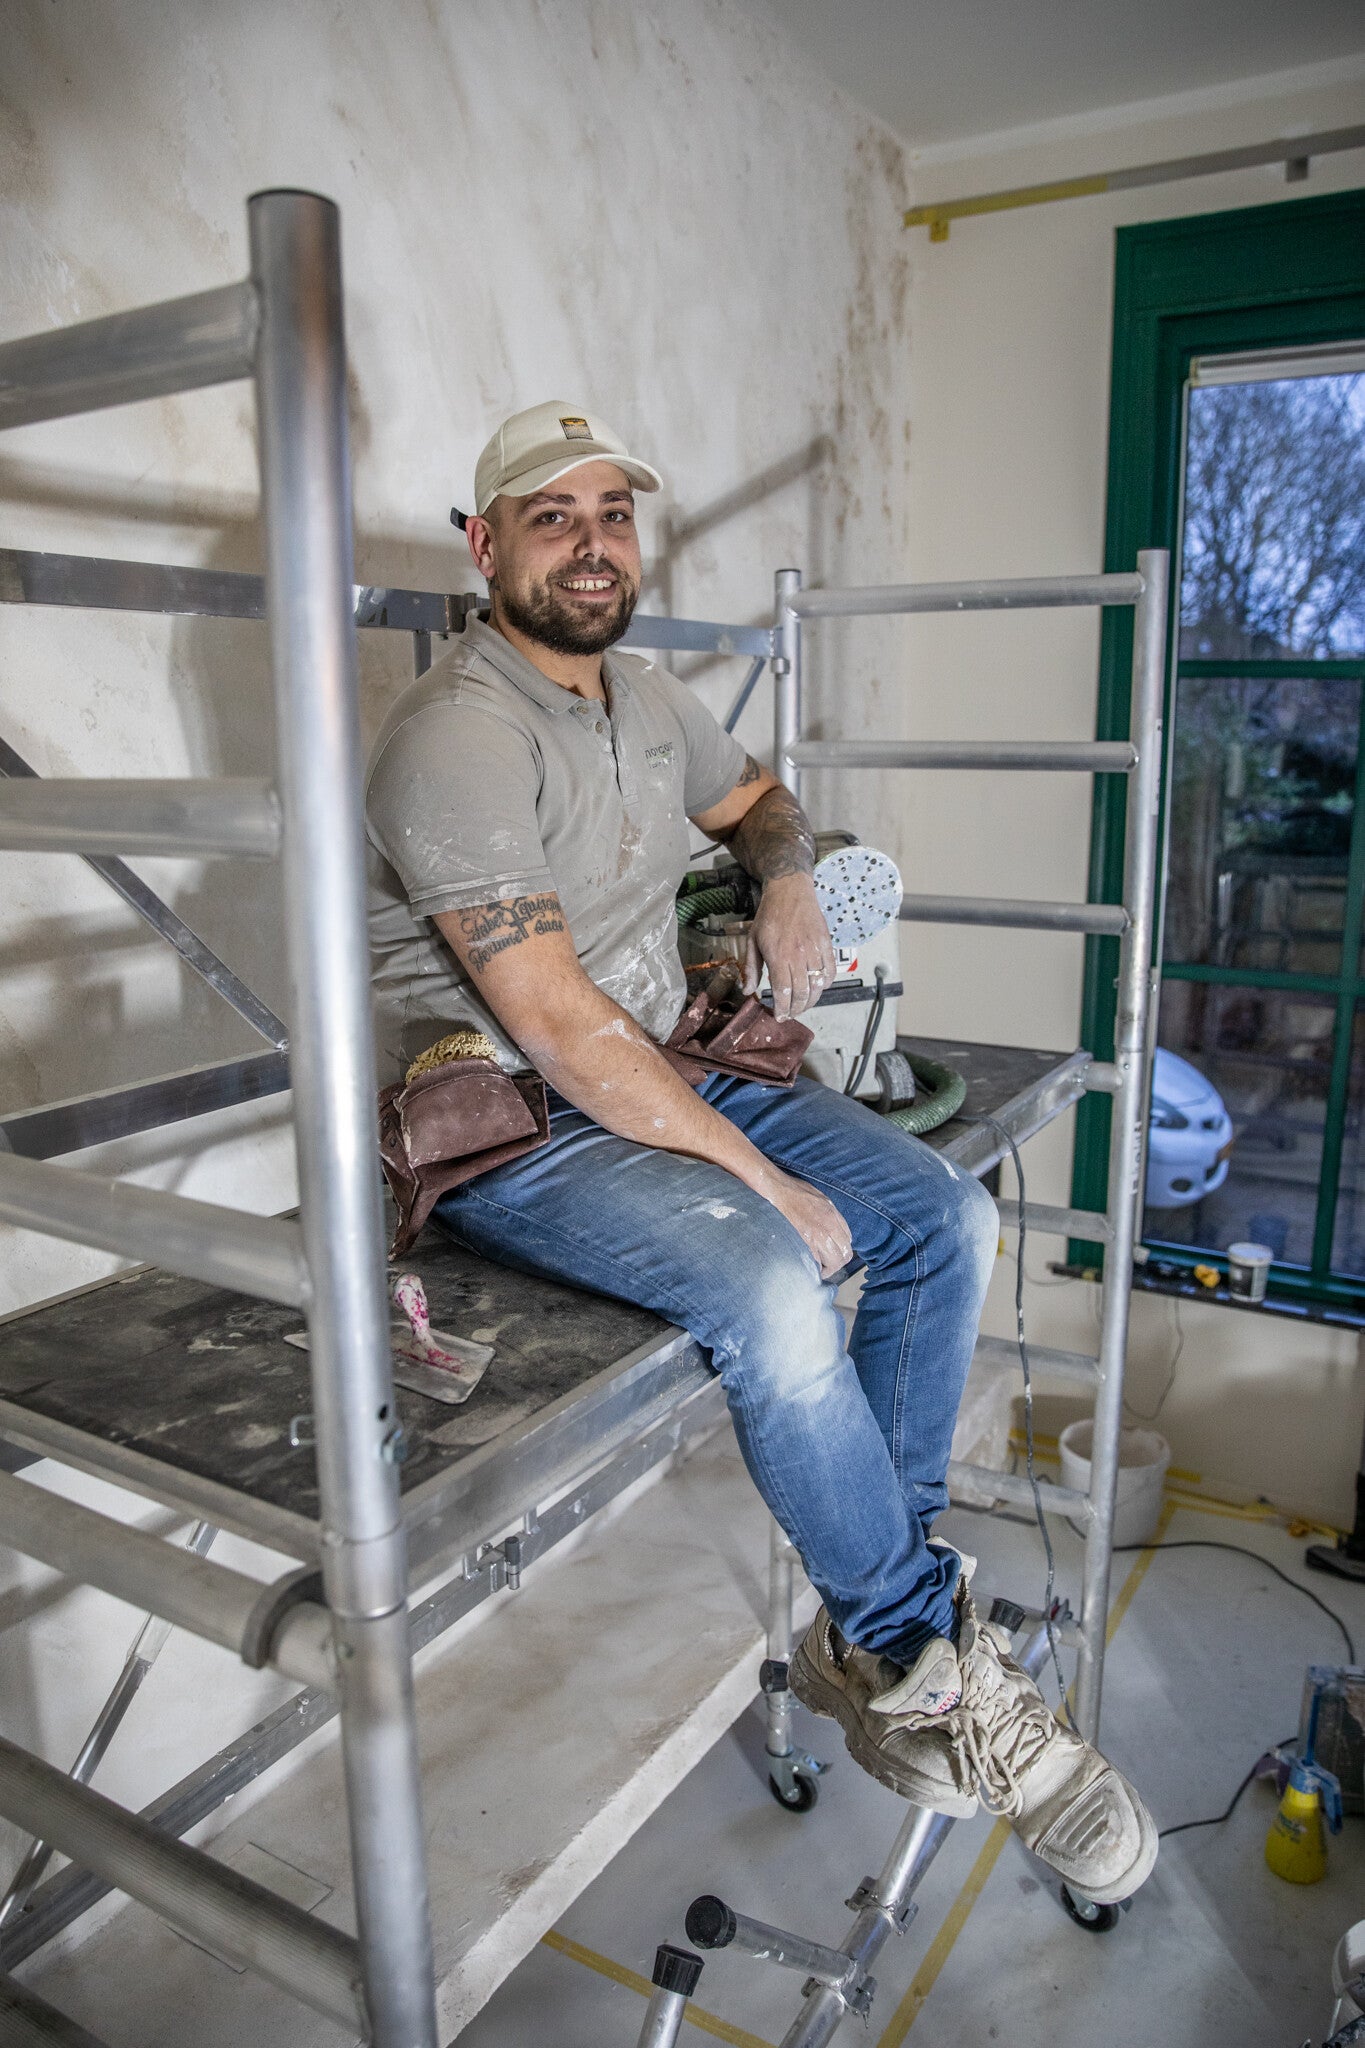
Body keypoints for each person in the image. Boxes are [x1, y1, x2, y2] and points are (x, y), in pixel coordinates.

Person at [364, 400, 1157, 1904]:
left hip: (657, 1064)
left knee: (944, 1219)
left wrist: (785, 874)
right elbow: (556, 1029)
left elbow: (762, 802)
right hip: (511, 1122)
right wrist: (762, 1182)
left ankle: (885, 1636)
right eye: (550, 516)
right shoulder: (456, 736)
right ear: (482, 547)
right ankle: (922, 1660)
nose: (592, 545)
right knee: (776, 1291)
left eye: (612, 514)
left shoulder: (647, 701)